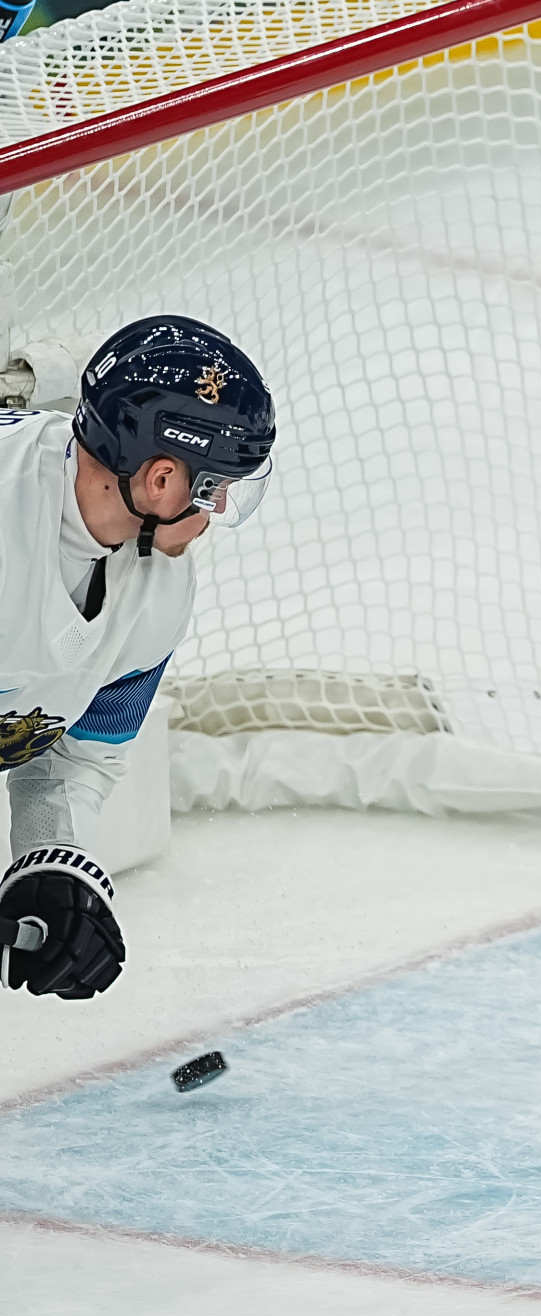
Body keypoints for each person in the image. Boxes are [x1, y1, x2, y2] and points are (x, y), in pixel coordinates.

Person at [1, 317, 276, 1001]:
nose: (214, 512)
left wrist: (50, 865)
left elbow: (77, 751)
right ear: (160, 479)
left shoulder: (160, 590)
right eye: (212, 487)